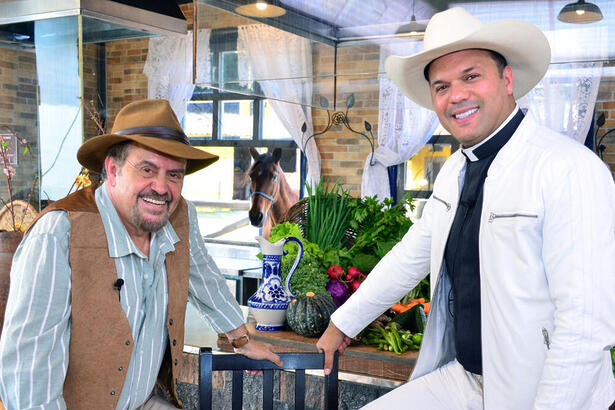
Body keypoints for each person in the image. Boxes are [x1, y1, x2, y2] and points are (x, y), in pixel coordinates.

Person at [317, 7, 615, 409]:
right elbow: (411, 256)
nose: (456, 95)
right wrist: (342, 322)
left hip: (543, 390)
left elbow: (585, 326)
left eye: (471, 76)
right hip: (468, 379)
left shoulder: (568, 168)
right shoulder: (455, 170)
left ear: (507, 80)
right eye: (441, 86)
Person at [0, 99, 282, 409]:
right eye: (147, 169)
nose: (161, 187)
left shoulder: (180, 217)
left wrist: (241, 338)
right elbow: (28, 375)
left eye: (174, 175)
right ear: (112, 170)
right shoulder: (58, 233)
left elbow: (203, 275)